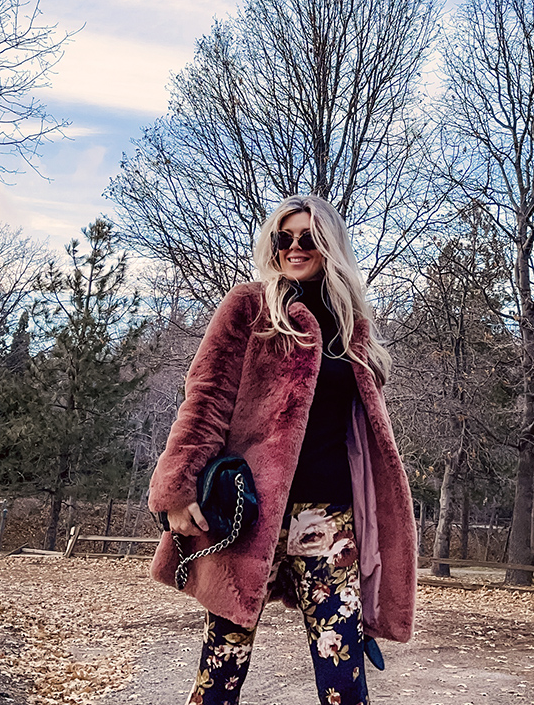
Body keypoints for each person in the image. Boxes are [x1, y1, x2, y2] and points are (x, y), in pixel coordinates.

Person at [148, 195, 416, 705]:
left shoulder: (351, 325)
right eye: (283, 237)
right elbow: (205, 398)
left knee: (343, 666)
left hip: (330, 518)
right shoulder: (250, 306)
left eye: (308, 238)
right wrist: (177, 484)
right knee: (223, 659)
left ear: (330, 245)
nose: (295, 247)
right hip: (250, 513)